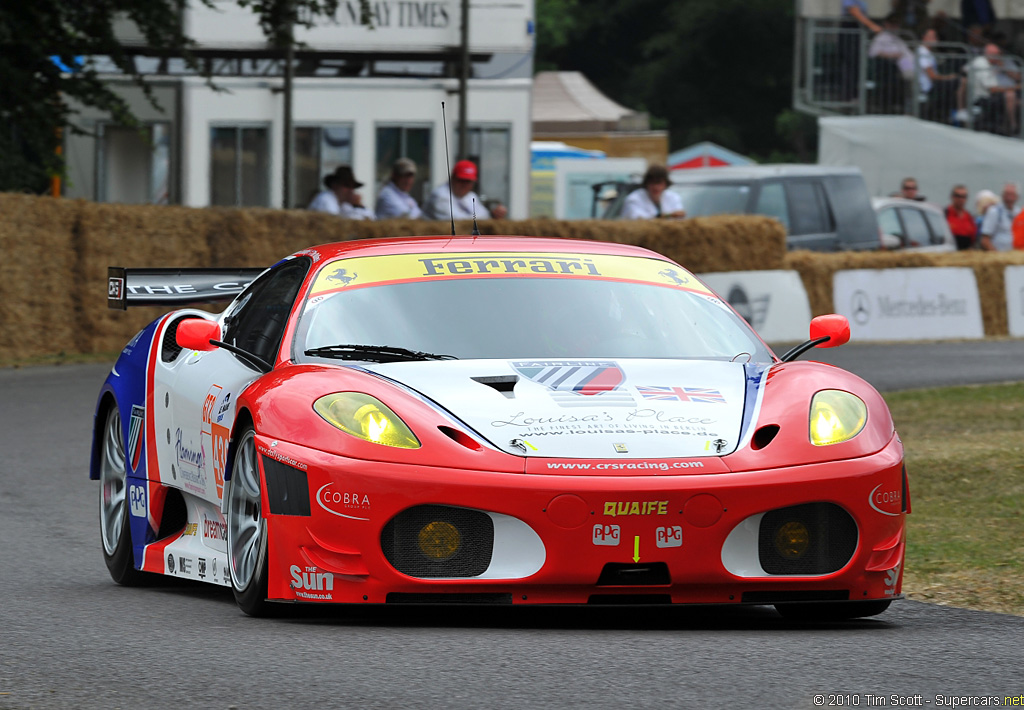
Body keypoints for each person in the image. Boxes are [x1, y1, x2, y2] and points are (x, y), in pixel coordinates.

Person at [423, 160, 508, 221]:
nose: (465, 185)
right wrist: (489, 216)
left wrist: (493, 214)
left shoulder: (470, 196)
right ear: (452, 178)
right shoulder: (439, 195)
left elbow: (484, 215)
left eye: (468, 181)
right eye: (461, 180)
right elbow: (456, 221)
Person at [839, 0, 882, 100]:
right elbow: (853, 10)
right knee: (849, 64)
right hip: (849, 32)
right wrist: (872, 26)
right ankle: (848, 97)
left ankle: (855, 96)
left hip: (858, 33)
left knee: (857, 64)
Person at [307, 166, 374, 220]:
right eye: (346, 185)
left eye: (353, 187)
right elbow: (333, 225)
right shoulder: (326, 200)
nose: (351, 190)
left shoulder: (344, 204)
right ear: (335, 185)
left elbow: (370, 220)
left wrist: (358, 206)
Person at [621, 165, 685, 220]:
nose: (656, 187)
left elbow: (680, 215)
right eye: (652, 182)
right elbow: (639, 220)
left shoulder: (673, 197)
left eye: (659, 183)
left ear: (665, 184)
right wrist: (669, 215)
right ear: (646, 183)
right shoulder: (633, 199)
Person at [978, 182, 1019, 251]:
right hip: (999, 255)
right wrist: (996, 255)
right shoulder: (994, 211)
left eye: (1012, 195)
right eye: (1007, 194)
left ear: (1017, 197)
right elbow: (985, 240)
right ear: (1002, 195)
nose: (1009, 198)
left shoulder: (1018, 212)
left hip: (1016, 254)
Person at [944, 184, 977, 249]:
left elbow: (973, 239)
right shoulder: (945, 214)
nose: (961, 199)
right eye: (958, 196)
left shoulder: (969, 217)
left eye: (963, 197)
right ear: (952, 197)